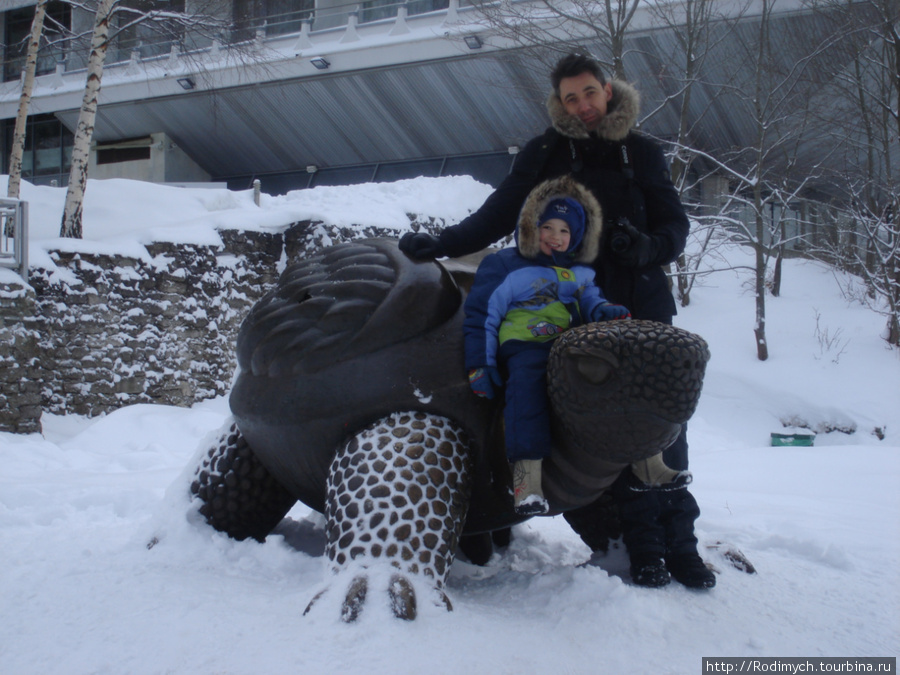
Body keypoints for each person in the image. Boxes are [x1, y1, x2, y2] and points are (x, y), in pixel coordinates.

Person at [400, 52, 715, 589]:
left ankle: (681, 544)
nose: (582, 106)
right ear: (559, 103)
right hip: (575, 316)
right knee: (605, 430)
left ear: (607, 90)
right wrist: (446, 243)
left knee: (664, 432)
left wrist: (645, 247)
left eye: (589, 93)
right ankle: (642, 547)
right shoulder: (547, 152)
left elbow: (675, 227)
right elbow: (501, 210)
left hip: (641, 306)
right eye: (570, 98)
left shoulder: (641, 153)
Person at [463, 176, 630, 516]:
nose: (555, 236)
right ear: (530, 227)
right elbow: (483, 312)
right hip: (524, 343)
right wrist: (481, 362)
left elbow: (590, 299)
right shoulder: (505, 263)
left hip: (568, 343)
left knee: (613, 375)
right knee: (528, 384)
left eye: (565, 231)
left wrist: (603, 311)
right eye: (547, 227)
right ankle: (527, 481)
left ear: (576, 238)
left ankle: (644, 462)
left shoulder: (579, 272)